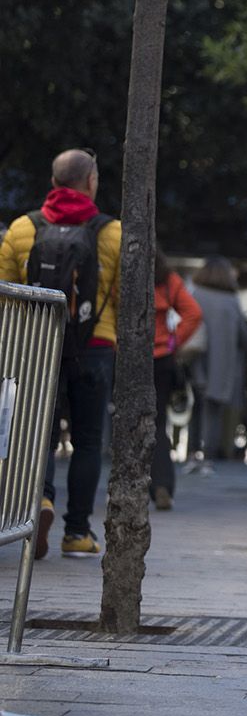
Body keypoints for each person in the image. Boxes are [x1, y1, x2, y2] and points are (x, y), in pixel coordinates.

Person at [0, 148, 122, 558]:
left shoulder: (21, 229)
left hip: (38, 349)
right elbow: (125, 299)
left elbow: (6, 297)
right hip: (95, 348)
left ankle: (42, 502)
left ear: (53, 182)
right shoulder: (112, 233)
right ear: (91, 182)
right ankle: (77, 534)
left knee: (40, 438)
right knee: (88, 442)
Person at [187, 256, 247, 470]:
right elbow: (246, 337)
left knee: (196, 407)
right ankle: (208, 456)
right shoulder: (230, 300)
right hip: (222, 363)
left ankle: (191, 454)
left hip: (196, 359)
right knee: (213, 410)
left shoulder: (194, 294)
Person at [151, 248, 203, 510]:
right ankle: (162, 485)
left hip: (124, 354)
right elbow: (193, 313)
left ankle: (130, 483)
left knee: (124, 422)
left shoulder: (122, 273)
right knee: (158, 423)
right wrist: (172, 342)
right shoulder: (167, 278)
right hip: (161, 358)